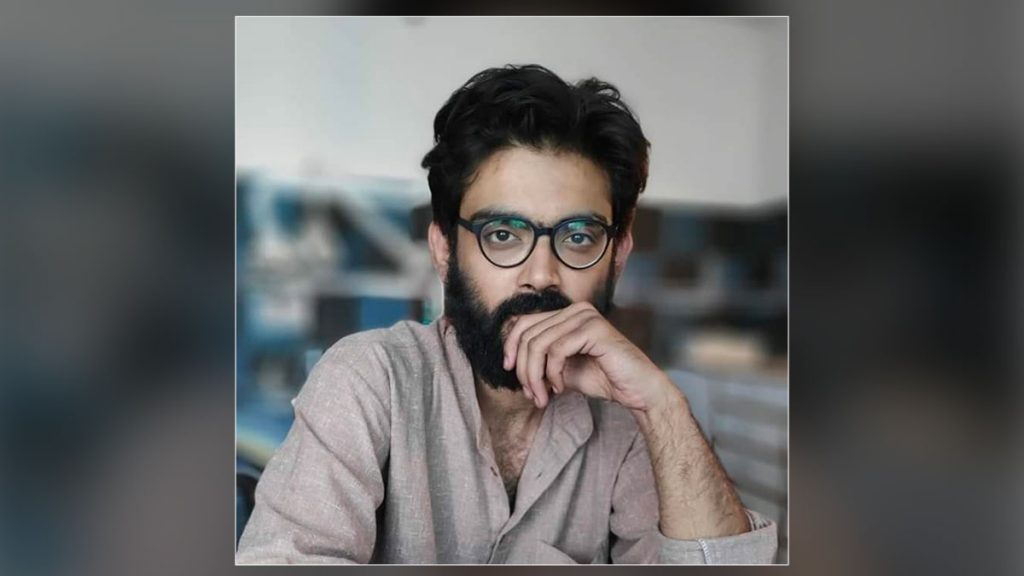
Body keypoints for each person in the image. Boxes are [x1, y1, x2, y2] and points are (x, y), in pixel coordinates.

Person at [236, 64, 778, 564]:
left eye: (578, 236)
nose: (541, 275)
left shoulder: (629, 421)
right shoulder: (369, 380)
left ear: (617, 256)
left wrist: (661, 406)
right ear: (444, 250)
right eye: (502, 234)